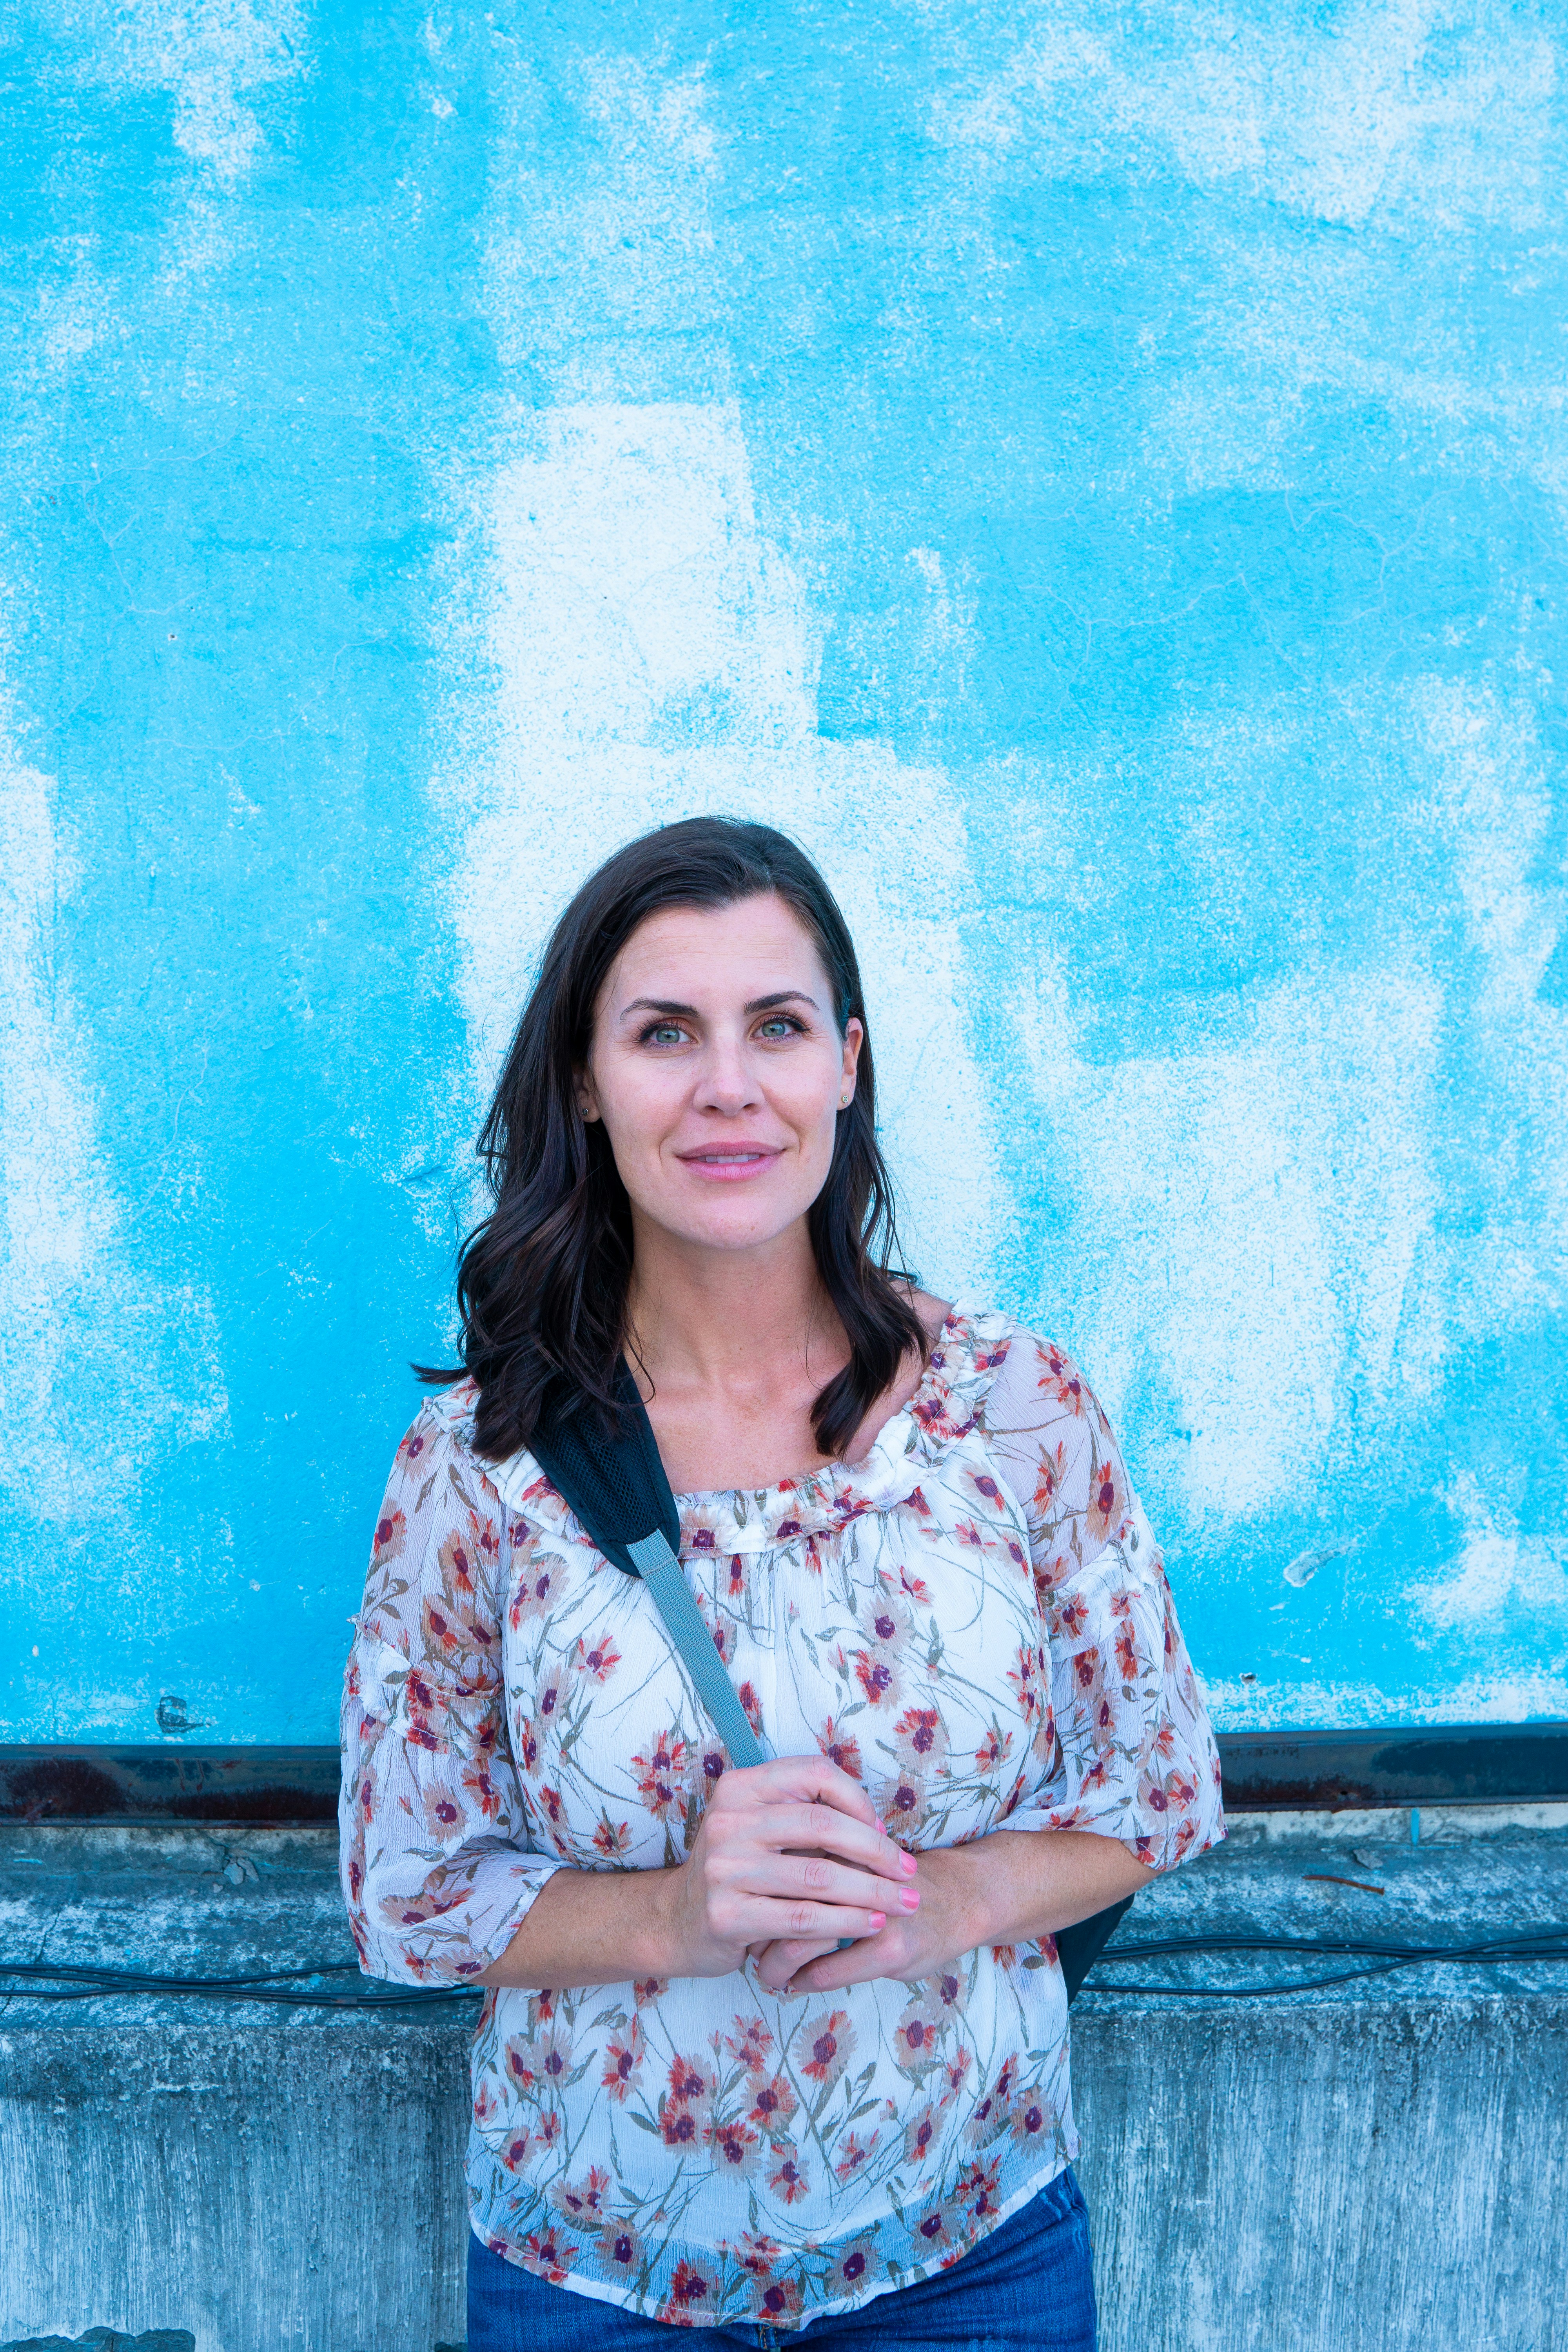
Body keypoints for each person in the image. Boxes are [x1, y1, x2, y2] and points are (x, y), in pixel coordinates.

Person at [339, 817, 1224, 2349]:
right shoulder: (475, 1464)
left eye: (778, 1026)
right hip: (593, 2273)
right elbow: (402, 1895)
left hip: (972, 2253)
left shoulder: (1013, 1407)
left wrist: (932, 1902)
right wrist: (685, 1911)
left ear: (847, 1065)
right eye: (664, 1032)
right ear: (583, 1082)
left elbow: (1160, 1788)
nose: (727, 1087)